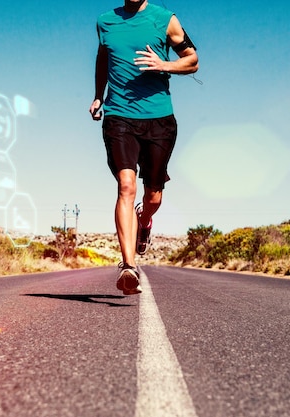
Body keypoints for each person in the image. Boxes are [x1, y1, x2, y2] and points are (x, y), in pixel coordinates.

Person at [89, 0, 199, 295]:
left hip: (159, 119)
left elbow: (192, 60)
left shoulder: (165, 20)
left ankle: (144, 221)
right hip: (118, 116)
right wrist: (99, 95)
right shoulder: (105, 21)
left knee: (154, 195)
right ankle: (128, 266)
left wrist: (165, 65)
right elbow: (103, 58)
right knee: (126, 185)